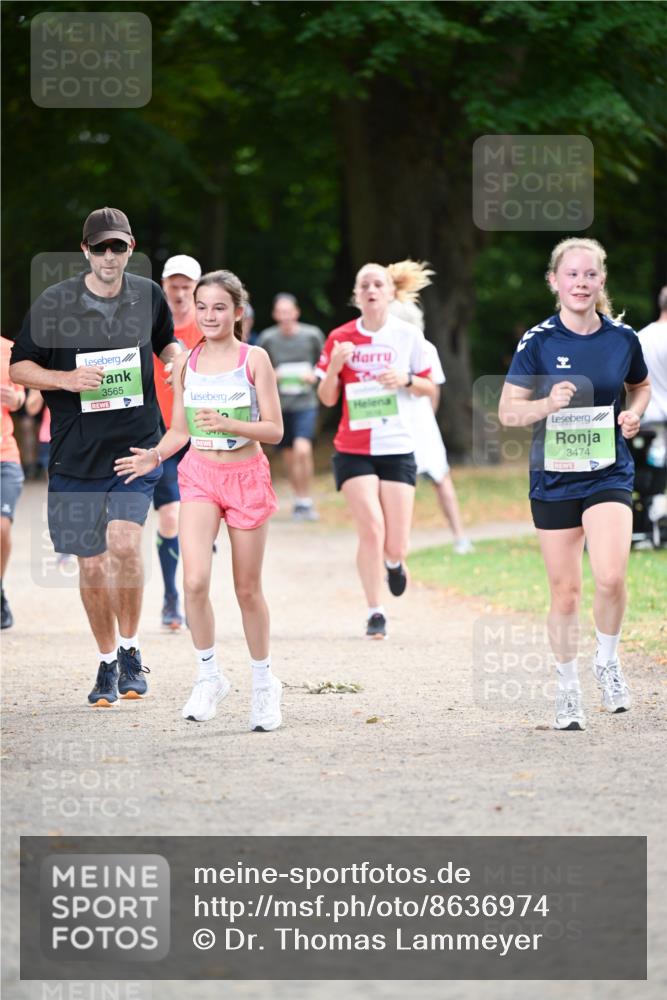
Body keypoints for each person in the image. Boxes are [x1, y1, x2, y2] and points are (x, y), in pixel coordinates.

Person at [10, 207, 179, 706]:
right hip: (75, 453)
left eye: (118, 247)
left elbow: (167, 343)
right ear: (85, 250)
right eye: (100, 247)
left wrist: (178, 361)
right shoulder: (55, 302)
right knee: (90, 564)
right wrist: (65, 379)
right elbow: (20, 367)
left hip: (135, 446)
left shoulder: (147, 295)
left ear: (130, 249)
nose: (109, 256)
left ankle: (130, 650)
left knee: (124, 544)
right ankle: (106, 661)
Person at [114, 270, 285, 732]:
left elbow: (274, 429)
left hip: (246, 477)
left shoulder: (254, 359)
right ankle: (209, 676)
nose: (209, 316)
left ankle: (264, 683)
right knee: (193, 582)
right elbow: (180, 430)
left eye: (220, 307)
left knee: (247, 589)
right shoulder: (186, 362)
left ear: (237, 312)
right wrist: (154, 455)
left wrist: (232, 425)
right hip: (200, 476)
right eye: (202, 306)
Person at [498, 237, 651, 732]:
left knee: (610, 577)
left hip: (608, 471)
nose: (581, 283)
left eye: (589, 274)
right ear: (554, 281)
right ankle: (567, 686)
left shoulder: (623, 339)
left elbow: (640, 386)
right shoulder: (538, 341)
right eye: (572, 274)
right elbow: (507, 411)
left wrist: (633, 414)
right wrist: (547, 404)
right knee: (565, 593)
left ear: (601, 280)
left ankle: (606, 660)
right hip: (555, 477)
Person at [316, 261, 434, 639]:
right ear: (356, 294)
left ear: (390, 293)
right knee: (371, 528)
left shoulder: (408, 336)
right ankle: (375, 610)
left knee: (395, 543)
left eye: (378, 284)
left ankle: (394, 563)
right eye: (364, 284)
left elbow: (430, 387)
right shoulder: (340, 337)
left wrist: (406, 378)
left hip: (397, 446)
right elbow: (326, 397)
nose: (370, 290)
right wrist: (335, 366)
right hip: (353, 447)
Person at [388, 268, 474, 555]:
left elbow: (431, 390)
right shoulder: (414, 348)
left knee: (431, 479)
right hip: (415, 421)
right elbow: (433, 394)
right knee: (424, 481)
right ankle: (453, 538)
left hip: (412, 421)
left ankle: (457, 536)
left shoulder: (420, 349)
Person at [153, 254, 202, 629]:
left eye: (187, 286)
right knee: (170, 515)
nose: (180, 293)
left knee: (200, 517)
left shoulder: (210, 324)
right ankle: (171, 596)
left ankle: (195, 582)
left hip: (202, 432)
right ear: (163, 286)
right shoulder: (148, 324)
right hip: (161, 431)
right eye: (174, 286)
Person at [259, 294, 325, 521]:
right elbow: (259, 367)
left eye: (289, 311)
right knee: (289, 456)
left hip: (306, 402)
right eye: (281, 312)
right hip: (280, 406)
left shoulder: (312, 335)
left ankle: (307, 498)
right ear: (275, 315)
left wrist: (314, 375)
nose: (285, 316)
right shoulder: (268, 338)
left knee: (302, 450)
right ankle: (300, 500)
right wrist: (272, 375)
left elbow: (324, 362)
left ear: (296, 312)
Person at [1, 336, 26, 629]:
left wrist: (15, 399)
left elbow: (21, 398)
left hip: (4, 455)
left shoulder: (9, 350)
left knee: (2, 527)